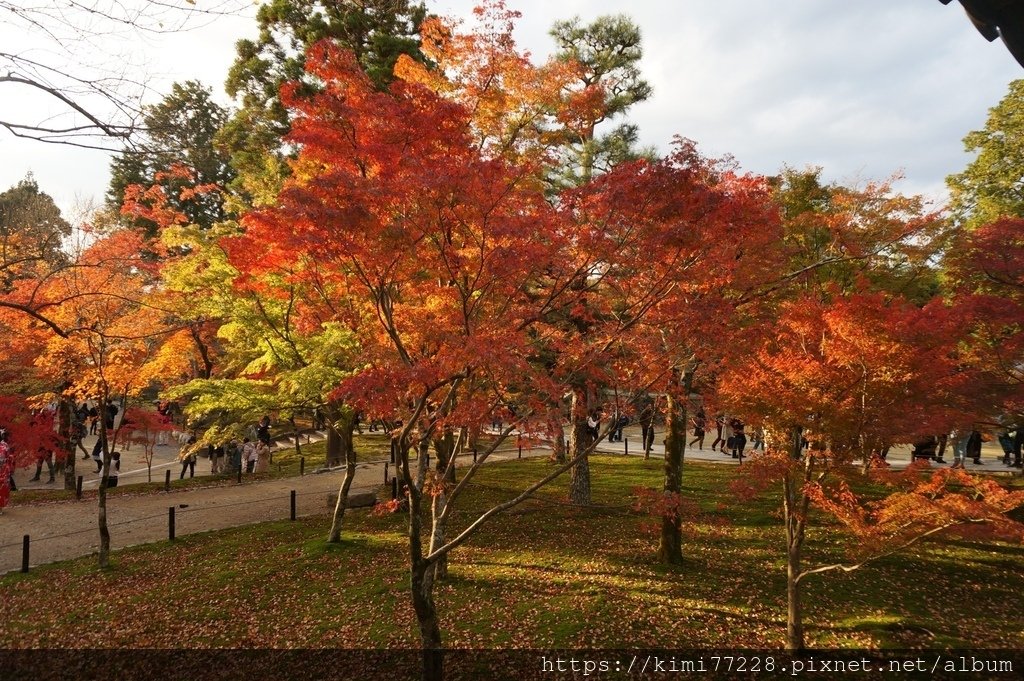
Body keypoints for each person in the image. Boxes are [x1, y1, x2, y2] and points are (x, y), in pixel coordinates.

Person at [0, 429, 13, 514]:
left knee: (2, 489)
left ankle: (0, 507)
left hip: (3, 471)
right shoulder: (5, 445)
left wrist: (9, 468)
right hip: (4, 470)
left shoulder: (5, 445)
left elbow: (9, 458)